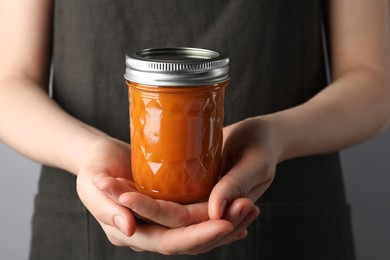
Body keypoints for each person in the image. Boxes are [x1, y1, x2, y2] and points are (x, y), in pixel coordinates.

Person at [0, 0, 389, 259]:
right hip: (84, 221)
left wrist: (274, 136)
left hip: (286, 227)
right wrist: (87, 155)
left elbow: (376, 81)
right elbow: (9, 81)